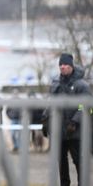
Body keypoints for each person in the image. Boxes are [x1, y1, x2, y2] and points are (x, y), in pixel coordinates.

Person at [42, 53, 92, 186]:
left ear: (71, 66)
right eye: (60, 65)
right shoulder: (55, 83)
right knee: (61, 161)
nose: (62, 67)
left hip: (75, 132)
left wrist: (75, 121)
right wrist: (45, 120)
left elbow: (84, 106)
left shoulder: (81, 85)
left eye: (65, 64)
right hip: (58, 131)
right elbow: (50, 104)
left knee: (79, 161)